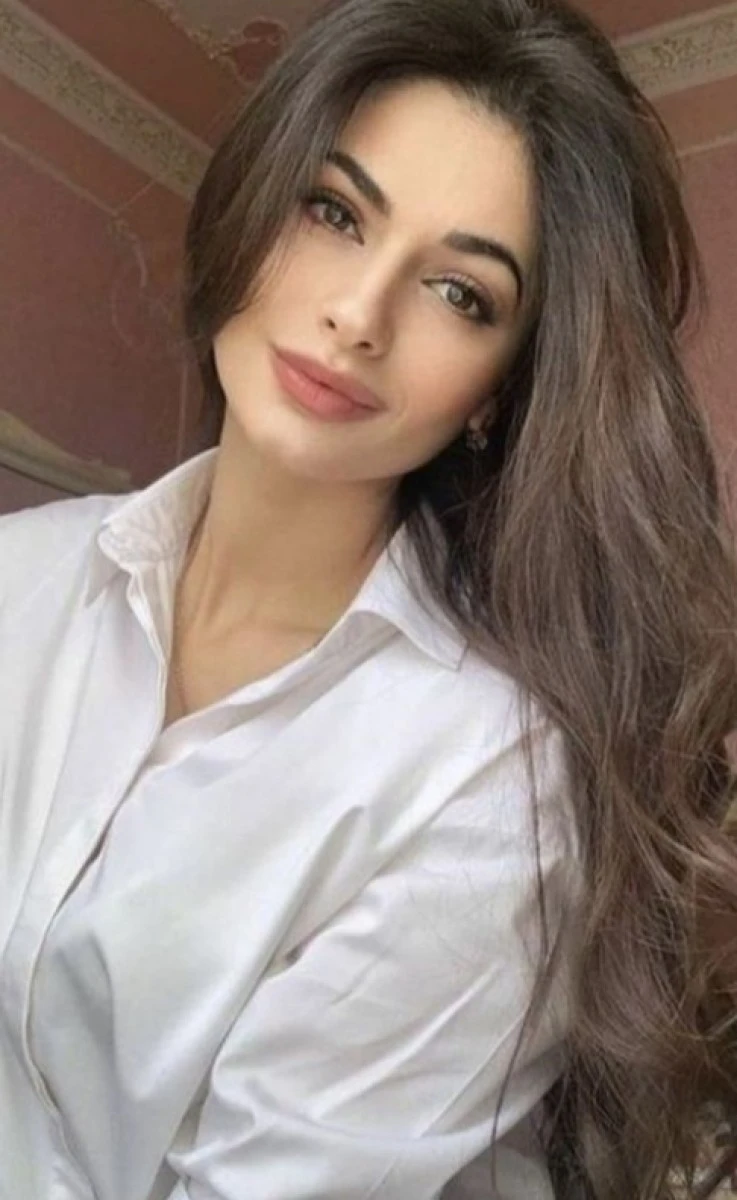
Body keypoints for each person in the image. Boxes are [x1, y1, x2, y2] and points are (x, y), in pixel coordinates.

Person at [1, 0, 736, 1196]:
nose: (357, 313)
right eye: (334, 212)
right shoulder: (20, 573)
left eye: (459, 293)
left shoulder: (487, 776)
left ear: (494, 393)